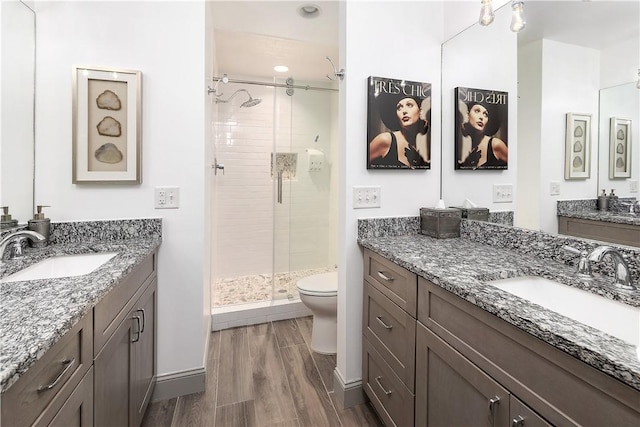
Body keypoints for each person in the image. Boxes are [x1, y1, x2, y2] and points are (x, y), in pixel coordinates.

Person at [368, 93, 430, 169]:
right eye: (399, 108)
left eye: (409, 105)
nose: (404, 111)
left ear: (420, 111)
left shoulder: (425, 144)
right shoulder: (385, 140)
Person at [457, 100, 508, 169]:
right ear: (467, 115)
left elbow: (514, 168)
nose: (481, 117)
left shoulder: (496, 144)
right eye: (477, 111)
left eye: (485, 114)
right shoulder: (461, 144)